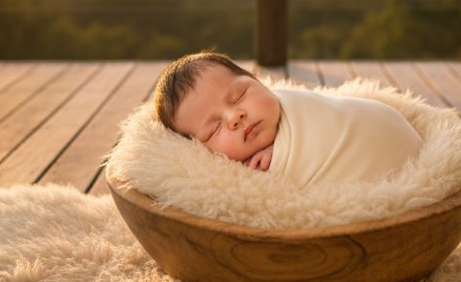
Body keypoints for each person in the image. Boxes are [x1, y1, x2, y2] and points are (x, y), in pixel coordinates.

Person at [154, 52, 423, 185]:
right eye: (214, 129)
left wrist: (280, 144)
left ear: (258, 81)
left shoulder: (295, 105)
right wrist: (280, 155)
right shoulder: (242, 176)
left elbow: (324, 120)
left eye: (239, 96)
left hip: (384, 129)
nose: (235, 117)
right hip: (377, 176)